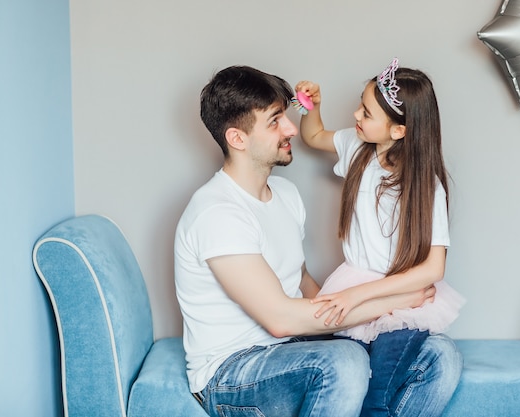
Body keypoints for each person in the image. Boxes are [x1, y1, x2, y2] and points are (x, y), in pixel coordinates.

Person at [174, 64, 461, 417]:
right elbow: (280, 319)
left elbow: (302, 281)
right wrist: (396, 301)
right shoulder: (216, 213)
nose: (292, 128)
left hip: (291, 351)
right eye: (276, 120)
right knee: (345, 361)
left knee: (440, 355)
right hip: (234, 371)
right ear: (238, 138)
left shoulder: (285, 194)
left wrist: (352, 310)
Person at [296, 58, 464, 416]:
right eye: (361, 103)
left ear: (399, 131)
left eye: (367, 113)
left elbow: (433, 268)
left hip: (401, 298)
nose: (356, 114)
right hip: (354, 280)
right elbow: (312, 136)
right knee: (343, 376)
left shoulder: (425, 186)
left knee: (378, 394)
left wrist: (360, 294)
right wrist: (313, 106)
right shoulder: (356, 148)